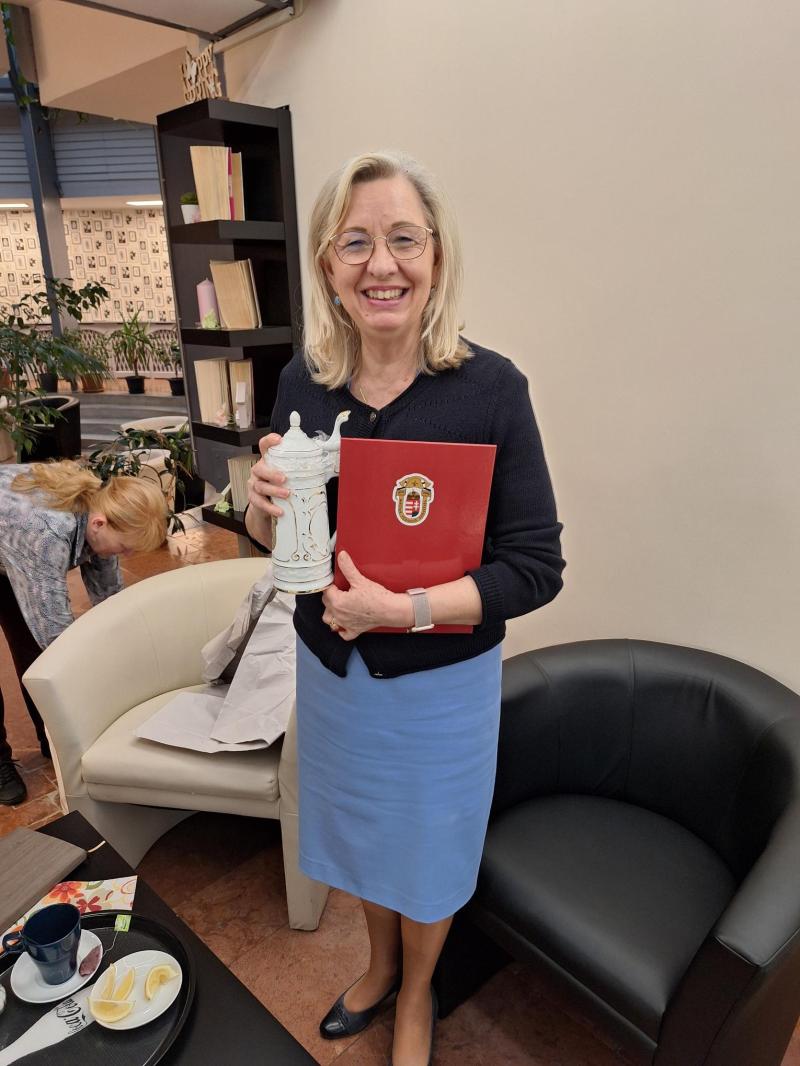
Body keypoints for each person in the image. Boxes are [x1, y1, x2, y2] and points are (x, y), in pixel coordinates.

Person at [245, 150, 565, 1066]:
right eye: (355, 243)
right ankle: (379, 966)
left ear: (437, 256)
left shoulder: (490, 389)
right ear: (327, 265)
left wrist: (405, 610)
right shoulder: (303, 382)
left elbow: (535, 568)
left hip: (438, 690)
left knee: (425, 855)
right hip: (333, 674)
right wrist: (263, 511)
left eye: (402, 240)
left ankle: (418, 991)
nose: (380, 264)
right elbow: (286, 546)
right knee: (361, 839)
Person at [0, 460, 168, 805]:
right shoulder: (47, 533)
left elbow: (111, 602)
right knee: (49, 649)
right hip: (20, 532)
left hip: (12, 537)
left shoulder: (101, 512)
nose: (126, 555)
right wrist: (98, 697)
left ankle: (52, 736)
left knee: (31, 650)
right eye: (125, 548)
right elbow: (57, 637)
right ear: (99, 523)